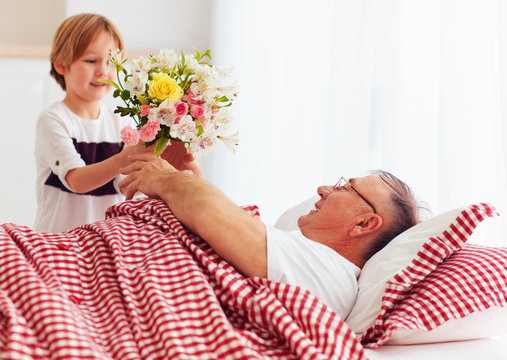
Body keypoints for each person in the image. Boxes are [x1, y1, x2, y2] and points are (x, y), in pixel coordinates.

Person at [118, 154, 420, 318]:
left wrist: (168, 179)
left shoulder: (332, 273)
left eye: (344, 187)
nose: (324, 189)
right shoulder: (302, 252)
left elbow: (210, 215)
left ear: (364, 223)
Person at [34, 13, 198, 233]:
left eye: (111, 61)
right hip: (58, 244)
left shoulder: (120, 121)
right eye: (91, 60)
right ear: (62, 65)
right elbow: (77, 181)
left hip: (104, 244)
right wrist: (123, 158)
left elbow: (127, 187)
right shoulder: (53, 120)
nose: (102, 70)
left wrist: (177, 170)